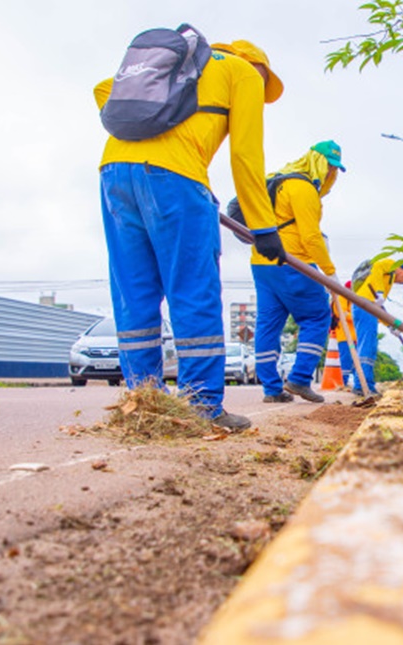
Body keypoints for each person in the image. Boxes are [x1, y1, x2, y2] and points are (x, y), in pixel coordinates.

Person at [94, 39, 285, 432]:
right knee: (192, 290)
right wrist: (263, 227)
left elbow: (104, 91)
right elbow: (246, 156)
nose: (262, 97)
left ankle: (142, 402)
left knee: (134, 293)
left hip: (114, 170)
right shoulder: (244, 72)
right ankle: (201, 404)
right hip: (177, 179)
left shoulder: (174, 64)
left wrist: (148, 137)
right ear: (259, 67)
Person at [253, 141, 345, 404]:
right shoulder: (303, 188)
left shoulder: (278, 180)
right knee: (317, 317)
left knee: (268, 324)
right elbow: (311, 238)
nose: (331, 173)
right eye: (328, 166)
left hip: (262, 262)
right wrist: (330, 273)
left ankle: (271, 389)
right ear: (316, 161)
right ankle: (300, 378)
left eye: (334, 168)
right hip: (294, 263)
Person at [351, 259, 403, 395]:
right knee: (366, 346)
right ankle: (362, 385)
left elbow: (381, 307)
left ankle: (367, 384)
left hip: (369, 307)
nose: (402, 282)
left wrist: (390, 325)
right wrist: (379, 292)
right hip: (365, 305)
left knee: (370, 346)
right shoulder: (392, 265)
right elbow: (377, 266)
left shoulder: (387, 280)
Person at [331, 281, 357, 387]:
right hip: (345, 335)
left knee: (356, 360)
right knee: (346, 359)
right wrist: (358, 317)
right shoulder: (342, 299)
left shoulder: (352, 301)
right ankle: (343, 382)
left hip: (354, 336)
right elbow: (343, 314)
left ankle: (357, 383)